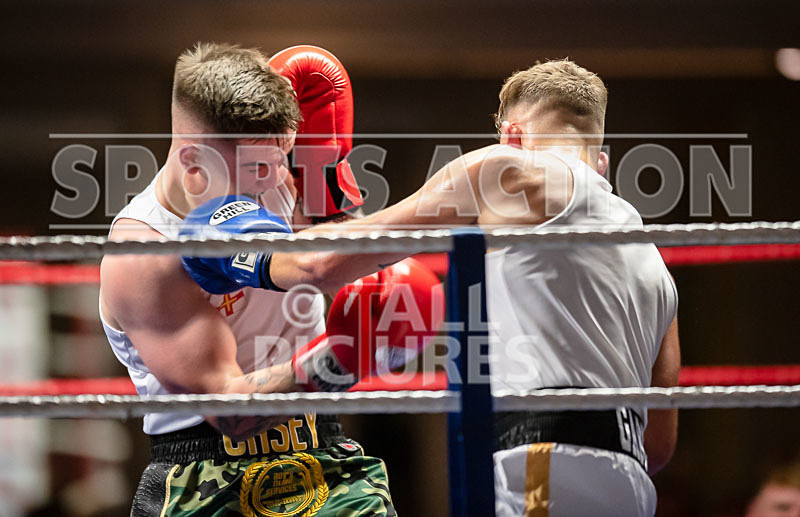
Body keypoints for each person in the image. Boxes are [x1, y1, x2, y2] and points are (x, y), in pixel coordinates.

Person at [216, 59, 679, 516]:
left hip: (542, 470)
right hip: (632, 486)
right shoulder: (659, 270)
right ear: (601, 161)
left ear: (512, 136)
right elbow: (658, 446)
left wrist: (235, 245)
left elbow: (325, 262)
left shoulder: (509, 170)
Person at [100, 42, 442, 516]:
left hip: (321, 451)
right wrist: (344, 358)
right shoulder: (143, 254)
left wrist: (336, 201)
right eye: (259, 168)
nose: (277, 178)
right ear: (194, 164)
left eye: (282, 156)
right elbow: (233, 413)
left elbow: (334, 258)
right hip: (205, 477)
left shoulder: (273, 172)